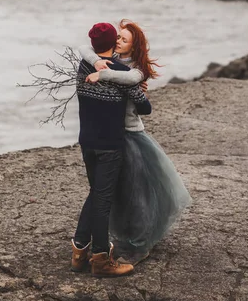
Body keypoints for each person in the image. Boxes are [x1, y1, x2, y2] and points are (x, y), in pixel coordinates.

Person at [79, 19, 191, 265]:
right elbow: (84, 49)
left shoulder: (136, 70)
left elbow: (133, 88)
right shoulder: (109, 62)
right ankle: (114, 238)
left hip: (130, 135)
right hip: (110, 136)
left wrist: (102, 73)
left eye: (124, 39)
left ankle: (139, 244)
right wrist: (97, 61)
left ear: (134, 46)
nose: (118, 41)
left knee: (136, 191)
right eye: (118, 37)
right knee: (115, 193)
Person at [72, 22, 152, 277]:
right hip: (109, 146)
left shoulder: (84, 65)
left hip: (87, 142)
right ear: (111, 43)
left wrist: (97, 64)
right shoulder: (120, 72)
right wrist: (137, 90)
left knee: (96, 193)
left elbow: (84, 49)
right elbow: (145, 107)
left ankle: (78, 251)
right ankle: (100, 259)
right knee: (103, 201)